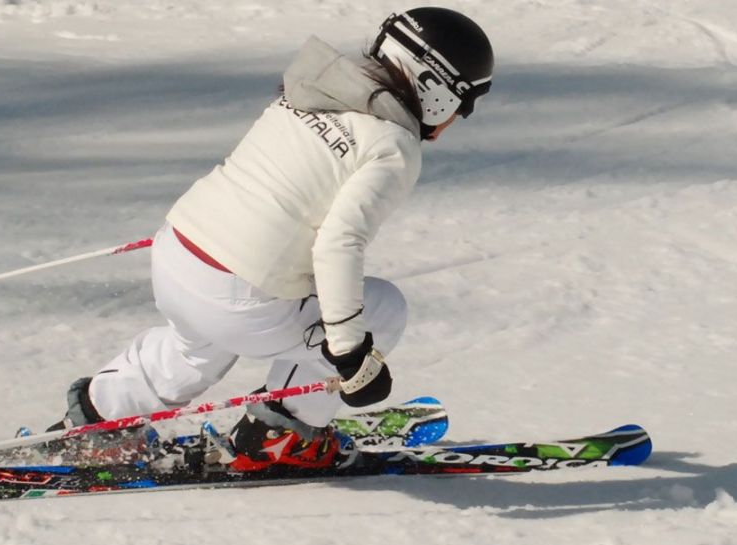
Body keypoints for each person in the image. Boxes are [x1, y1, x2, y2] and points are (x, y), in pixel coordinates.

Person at [49, 7, 494, 471]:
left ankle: (96, 423)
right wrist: (350, 354)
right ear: (437, 90)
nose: (452, 124)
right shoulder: (391, 145)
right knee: (384, 308)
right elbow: (339, 243)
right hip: (241, 297)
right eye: (463, 106)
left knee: (194, 350)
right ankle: (280, 436)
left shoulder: (312, 91)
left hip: (179, 254)